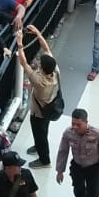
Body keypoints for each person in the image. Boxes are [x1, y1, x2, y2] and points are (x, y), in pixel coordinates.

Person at [15, 25, 60, 169]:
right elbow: (47, 49)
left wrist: (20, 43)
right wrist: (38, 33)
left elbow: (23, 63)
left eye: (40, 63)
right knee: (43, 131)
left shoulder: (39, 81)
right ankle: (39, 144)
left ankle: (44, 160)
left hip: (39, 113)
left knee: (40, 133)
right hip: (49, 108)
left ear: (43, 68)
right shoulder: (55, 71)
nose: (38, 62)